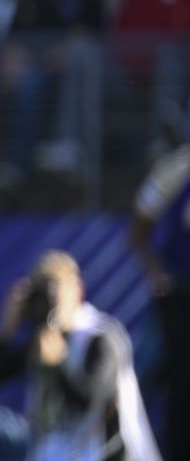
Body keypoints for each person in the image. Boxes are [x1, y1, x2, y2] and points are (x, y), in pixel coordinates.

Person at [0, 251, 161, 461]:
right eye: (42, 295)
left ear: (78, 291)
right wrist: (7, 330)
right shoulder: (46, 337)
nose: (49, 303)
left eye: (55, 291)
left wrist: (58, 364)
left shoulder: (102, 337)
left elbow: (89, 403)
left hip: (106, 453)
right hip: (55, 449)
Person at [130, 144, 190, 461]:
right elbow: (139, 225)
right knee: (145, 377)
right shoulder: (179, 167)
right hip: (178, 298)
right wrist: (154, 272)